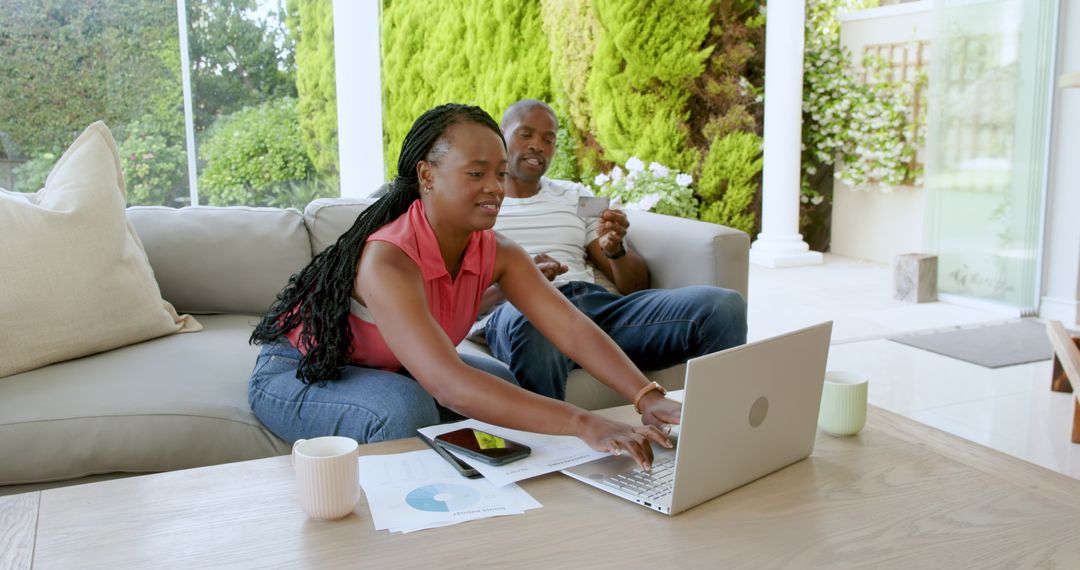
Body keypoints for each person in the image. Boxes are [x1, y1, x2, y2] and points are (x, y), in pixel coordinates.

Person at [248, 103, 678, 470]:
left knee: (501, 383)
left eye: (500, 173)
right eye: (476, 173)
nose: (495, 187)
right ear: (427, 175)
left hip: (389, 368)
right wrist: (584, 422)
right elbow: (448, 384)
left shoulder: (497, 251)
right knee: (406, 408)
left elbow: (570, 327)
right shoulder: (389, 259)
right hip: (302, 370)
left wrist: (645, 396)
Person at [480, 99, 748, 400]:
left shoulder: (575, 195)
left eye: (548, 139)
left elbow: (635, 286)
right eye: (525, 134)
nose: (537, 146)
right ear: (501, 134)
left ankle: (714, 422)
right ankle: (555, 430)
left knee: (723, 306)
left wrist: (615, 249)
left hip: (593, 308)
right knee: (536, 324)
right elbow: (456, 298)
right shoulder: (479, 203)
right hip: (521, 312)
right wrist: (523, 281)